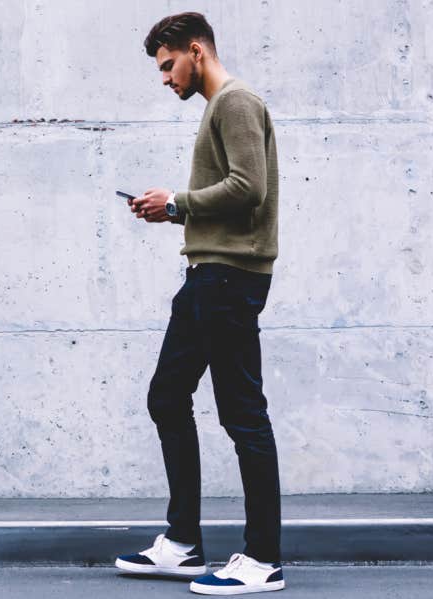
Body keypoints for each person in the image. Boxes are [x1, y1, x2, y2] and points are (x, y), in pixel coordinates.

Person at [112, 13, 285, 595]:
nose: (165, 79)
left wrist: (178, 203)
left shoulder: (235, 101)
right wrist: (173, 210)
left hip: (229, 280)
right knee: (166, 396)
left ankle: (262, 559)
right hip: (206, 275)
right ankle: (183, 544)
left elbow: (249, 187)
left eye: (168, 66)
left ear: (195, 51)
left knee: (243, 415)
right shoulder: (220, 107)